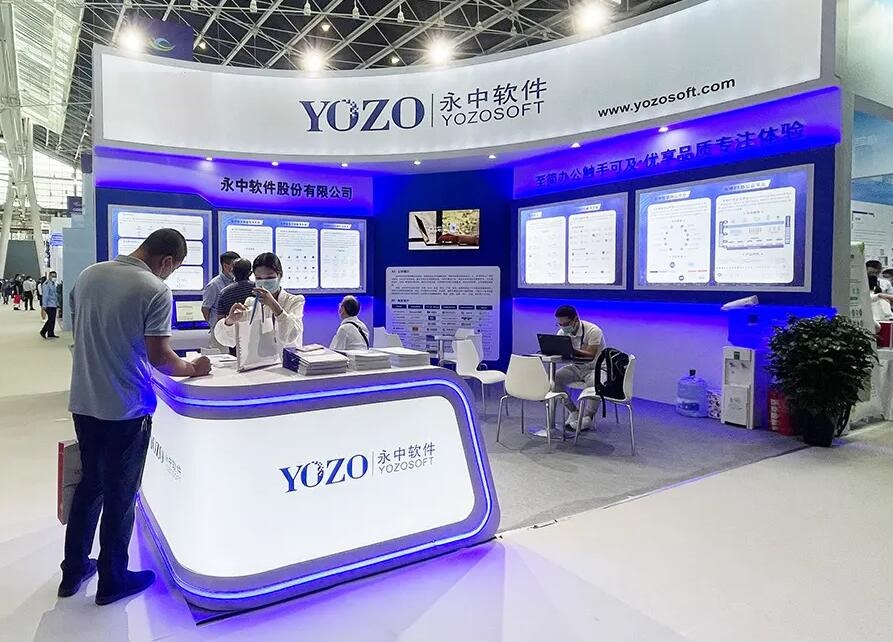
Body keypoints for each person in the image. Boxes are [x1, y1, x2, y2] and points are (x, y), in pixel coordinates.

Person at [60, 229, 211, 606]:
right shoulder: (154, 289)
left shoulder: (89, 275)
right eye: (173, 268)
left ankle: (74, 569)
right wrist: (194, 368)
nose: (169, 274)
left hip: (85, 401)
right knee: (121, 496)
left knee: (90, 486)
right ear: (167, 261)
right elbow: (161, 358)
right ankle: (113, 578)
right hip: (126, 408)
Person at [215, 252, 305, 353]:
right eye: (259, 278)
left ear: (280, 275)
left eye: (269, 277)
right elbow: (228, 340)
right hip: (257, 361)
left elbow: (290, 336)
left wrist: (274, 306)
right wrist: (230, 321)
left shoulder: (294, 301)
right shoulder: (251, 303)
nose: (264, 282)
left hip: (286, 360)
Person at [552, 304, 606, 430]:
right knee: (554, 379)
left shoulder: (593, 331)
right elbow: (562, 354)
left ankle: (587, 417)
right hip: (576, 367)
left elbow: (591, 354)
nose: (563, 327)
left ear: (576, 319)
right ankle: (573, 411)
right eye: (560, 324)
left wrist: (570, 349)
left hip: (596, 368)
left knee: (595, 383)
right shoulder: (562, 333)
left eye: (566, 324)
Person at [215, 258, 255, 355]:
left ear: (232, 272)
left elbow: (221, 319)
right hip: (256, 336)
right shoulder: (258, 289)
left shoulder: (225, 292)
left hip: (234, 338)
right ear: (251, 273)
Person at [201, 251, 240, 341]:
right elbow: (205, 308)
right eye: (235, 266)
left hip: (236, 330)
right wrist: (213, 325)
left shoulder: (237, 282)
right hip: (219, 331)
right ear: (225, 266)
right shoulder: (214, 285)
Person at [39, 272, 60, 338]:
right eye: (53, 276)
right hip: (49, 305)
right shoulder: (47, 284)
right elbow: (45, 295)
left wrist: (57, 304)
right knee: (51, 320)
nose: (54, 277)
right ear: (49, 276)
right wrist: (44, 305)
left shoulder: (53, 284)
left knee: (52, 320)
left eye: (55, 276)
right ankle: (43, 331)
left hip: (53, 304)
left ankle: (51, 333)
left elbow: (55, 295)